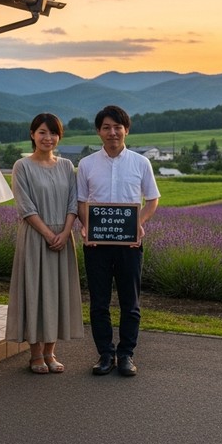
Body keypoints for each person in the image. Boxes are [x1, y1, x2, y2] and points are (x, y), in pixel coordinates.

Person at [77, 105, 160, 377]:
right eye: (106, 127)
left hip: (130, 245)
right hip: (97, 246)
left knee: (130, 303)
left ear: (126, 129)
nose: (112, 132)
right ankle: (105, 354)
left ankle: (126, 355)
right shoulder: (87, 164)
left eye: (117, 127)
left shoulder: (141, 162)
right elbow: (81, 202)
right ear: (99, 131)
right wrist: (87, 227)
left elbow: (152, 199)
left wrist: (138, 224)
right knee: (99, 303)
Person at [5, 113, 83, 374]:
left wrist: (65, 231)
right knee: (35, 293)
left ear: (59, 136)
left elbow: (74, 202)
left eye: (53, 133)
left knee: (58, 293)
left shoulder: (66, 166)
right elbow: (25, 207)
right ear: (32, 135)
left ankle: (51, 352)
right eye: (42, 132)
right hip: (36, 238)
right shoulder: (21, 166)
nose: (47, 138)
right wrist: (49, 235)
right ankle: (35, 354)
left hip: (63, 238)